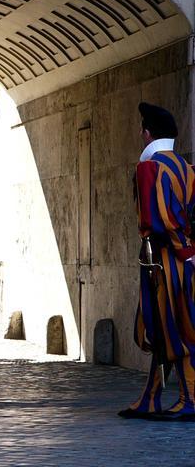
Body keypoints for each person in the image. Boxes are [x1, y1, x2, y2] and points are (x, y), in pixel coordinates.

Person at [119, 102, 195, 421]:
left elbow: (162, 217)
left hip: (165, 260)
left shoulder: (150, 167)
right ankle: (151, 397)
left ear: (148, 133)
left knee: (175, 326)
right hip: (180, 257)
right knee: (164, 327)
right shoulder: (187, 168)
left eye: (142, 131)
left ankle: (190, 398)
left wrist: (184, 250)